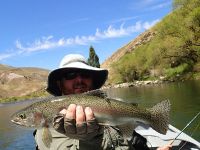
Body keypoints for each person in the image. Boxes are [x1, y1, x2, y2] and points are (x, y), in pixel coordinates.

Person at [34, 54, 172, 150]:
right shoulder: (48, 128)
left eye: (85, 74)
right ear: (59, 84)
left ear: (93, 81)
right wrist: (88, 140)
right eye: (70, 75)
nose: (79, 80)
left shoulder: (114, 106)